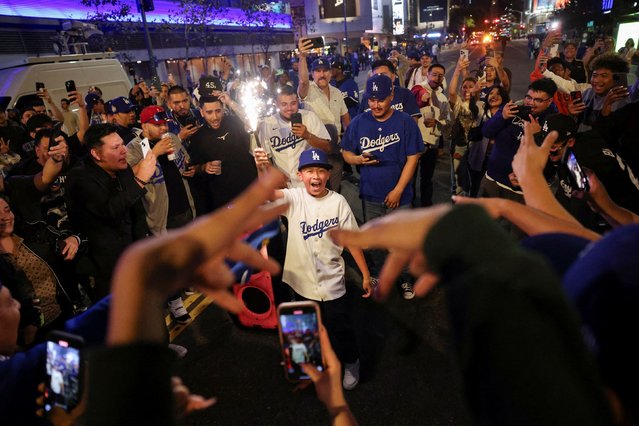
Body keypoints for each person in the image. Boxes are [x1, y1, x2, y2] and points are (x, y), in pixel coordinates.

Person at [270, 148, 372, 390]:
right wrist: (262, 165)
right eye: (309, 171)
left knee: (340, 326)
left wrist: (366, 275)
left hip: (332, 280)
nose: (315, 177)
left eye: (320, 171)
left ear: (328, 174)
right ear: (299, 175)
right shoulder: (293, 198)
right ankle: (306, 368)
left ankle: (351, 361)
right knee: (303, 326)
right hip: (301, 280)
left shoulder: (338, 202)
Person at [341, 74, 423, 299]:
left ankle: (405, 278)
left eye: (381, 99)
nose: (376, 105)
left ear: (392, 96)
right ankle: (378, 273)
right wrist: (357, 160)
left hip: (401, 195)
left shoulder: (405, 121)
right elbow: (346, 152)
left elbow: (413, 158)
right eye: (372, 99)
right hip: (370, 194)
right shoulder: (359, 121)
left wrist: (397, 190)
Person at [65, 124, 154, 298]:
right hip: (105, 269)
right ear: (96, 154)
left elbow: (136, 211)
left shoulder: (122, 168)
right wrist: (140, 180)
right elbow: (109, 210)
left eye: (122, 144)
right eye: (115, 147)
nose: (123, 151)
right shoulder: (79, 178)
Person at [479, 78, 558, 204]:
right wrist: (501, 116)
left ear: (549, 101)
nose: (531, 103)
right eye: (529, 97)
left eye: (538, 100)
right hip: (492, 179)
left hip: (521, 191)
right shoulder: (513, 109)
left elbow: (550, 165)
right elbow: (486, 132)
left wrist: (537, 136)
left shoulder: (553, 123)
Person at [188, 92, 258, 213]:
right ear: (201, 112)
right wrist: (204, 168)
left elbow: (253, 123)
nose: (215, 117)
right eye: (209, 112)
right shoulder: (197, 138)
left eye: (218, 111)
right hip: (225, 202)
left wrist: (230, 102)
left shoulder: (235, 122)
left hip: (252, 192)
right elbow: (193, 169)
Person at [298, 40, 350, 189]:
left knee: (334, 191)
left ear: (330, 73)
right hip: (315, 151)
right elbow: (302, 81)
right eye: (318, 71)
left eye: (325, 70)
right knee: (317, 192)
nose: (322, 74)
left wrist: (349, 142)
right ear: (312, 74)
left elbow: (346, 119)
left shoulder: (337, 92)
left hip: (335, 152)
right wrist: (302, 57)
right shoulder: (308, 91)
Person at [253, 85, 330, 188]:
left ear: (298, 101)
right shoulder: (267, 124)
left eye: (293, 103)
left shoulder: (309, 117)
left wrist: (308, 136)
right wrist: (275, 176)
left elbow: (327, 147)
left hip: (309, 183)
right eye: (284, 104)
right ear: (276, 104)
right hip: (286, 187)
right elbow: (266, 159)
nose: (289, 108)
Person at [411, 63, 452, 206]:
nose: (437, 77)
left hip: (432, 144)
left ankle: (426, 206)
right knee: (410, 176)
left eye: (440, 75)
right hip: (416, 143)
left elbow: (447, 120)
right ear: (427, 74)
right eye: (434, 74)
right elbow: (418, 94)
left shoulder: (443, 98)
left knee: (427, 178)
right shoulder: (418, 88)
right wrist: (424, 97)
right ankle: (408, 206)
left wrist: (437, 122)